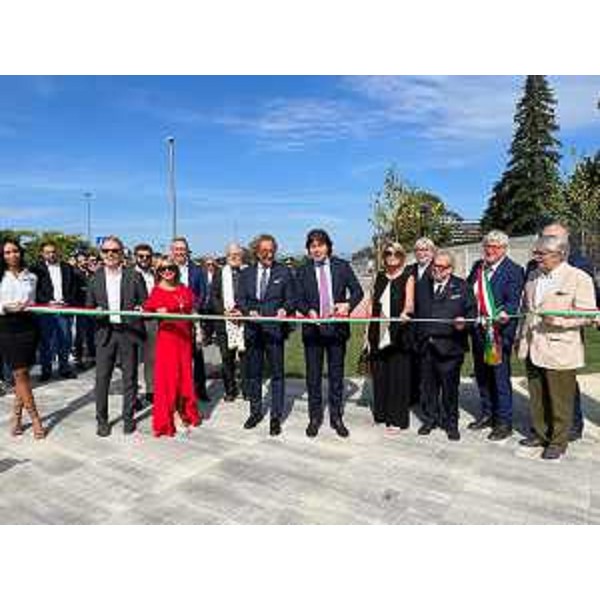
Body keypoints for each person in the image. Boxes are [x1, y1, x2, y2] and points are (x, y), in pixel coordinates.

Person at [517, 235, 596, 459]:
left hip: (560, 349)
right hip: (533, 345)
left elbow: (589, 314)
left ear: (559, 254)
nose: (536, 257)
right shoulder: (533, 276)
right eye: (535, 253)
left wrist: (560, 321)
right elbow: (527, 311)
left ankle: (558, 441)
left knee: (560, 400)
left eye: (541, 254)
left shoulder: (578, 278)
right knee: (537, 395)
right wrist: (520, 339)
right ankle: (541, 433)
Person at [295, 229, 363, 438]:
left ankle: (336, 417)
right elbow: (297, 298)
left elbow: (358, 291)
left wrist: (347, 305)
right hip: (312, 331)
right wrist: (308, 310)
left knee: (336, 376)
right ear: (308, 250)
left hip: (337, 330)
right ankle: (314, 418)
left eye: (320, 245)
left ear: (328, 247)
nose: (317, 249)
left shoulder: (342, 266)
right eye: (312, 246)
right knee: (313, 377)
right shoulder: (302, 270)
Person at [86, 236, 147, 437]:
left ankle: (128, 418)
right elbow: (89, 307)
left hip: (128, 332)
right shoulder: (94, 278)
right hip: (105, 333)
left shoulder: (134, 276)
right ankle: (102, 420)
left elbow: (145, 303)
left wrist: (140, 309)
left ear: (122, 253)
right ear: (101, 254)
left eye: (114, 251)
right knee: (102, 379)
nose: (110, 254)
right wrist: (95, 311)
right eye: (106, 251)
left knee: (130, 377)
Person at [466, 230, 525, 441]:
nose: (489, 250)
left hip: (498, 333)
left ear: (504, 249)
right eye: (487, 246)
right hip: (478, 331)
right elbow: (468, 293)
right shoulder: (478, 267)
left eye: (495, 246)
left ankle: (503, 422)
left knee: (499, 379)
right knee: (482, 375)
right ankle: (487, 414)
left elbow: (513, 301)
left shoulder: (514, 270)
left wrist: (505, 313)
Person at [237, 234, 295, 436]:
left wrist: (285, 309)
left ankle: (276, 417)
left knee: (277, 375)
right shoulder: (246, 273)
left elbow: (291, 299)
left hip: (274, 331)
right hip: (253, 331)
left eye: (272, 251)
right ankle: (255, 412)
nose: (269, 254)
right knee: (254, 374)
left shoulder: (284, 272)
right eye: (264, 251)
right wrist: (247, 311)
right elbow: (240, 299)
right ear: (256, 252)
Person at [415, 250, 476, 441]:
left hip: (450, 348)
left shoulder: (462, 286)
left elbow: (472, 314)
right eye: (434, 266)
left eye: (441, 267)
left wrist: (464, 323)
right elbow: (415, 311)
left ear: (450, 269)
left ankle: (451, 423)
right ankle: (430, 419)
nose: (436, 270)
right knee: (428, 387)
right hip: (426, 346)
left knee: (450, 389)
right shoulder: (422, 285)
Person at [143, 256, 201, 436]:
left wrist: (197, 326)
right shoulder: (156, 291)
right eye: (163, 269)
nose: (167, 271)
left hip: (184, 339)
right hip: (168, 340)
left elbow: (192, 309)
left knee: (185, 377)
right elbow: (147, 309)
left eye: (171, 268)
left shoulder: (183, 288)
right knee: (170, 379)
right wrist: (156, 311)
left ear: (176, 270)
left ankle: (184, 411)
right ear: (158, 272)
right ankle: (172, 415)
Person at [366, 242, 414, 434]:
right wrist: (367, 330)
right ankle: (382, 414)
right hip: (377, 331)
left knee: (398, 376)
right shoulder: (378, 277)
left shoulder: (407, 277)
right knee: (380, 374)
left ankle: (397, 419)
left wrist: (405, 312)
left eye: (396, 253)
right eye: (388, 253)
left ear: (402, 256)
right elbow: (371, 303)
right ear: (383, 256)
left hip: (399, 331)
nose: (392, 256)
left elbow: (410, 303)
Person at [0, 239, 45, 439]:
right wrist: (5, 307)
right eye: (7, 252)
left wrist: (30, 305)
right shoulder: (1, 276)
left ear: (21, 252)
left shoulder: (31, 276)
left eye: (15, 251)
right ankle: (35, 419)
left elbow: (35, 300)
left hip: (28, 326)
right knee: (19, 373)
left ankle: (17, 417)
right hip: (6, 327)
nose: (12, 255)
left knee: (23, 374)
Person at [32, 242, 78, 380]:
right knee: (46, 341)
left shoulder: (67, 268)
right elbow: (34, 290)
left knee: (65, 340)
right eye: (48, 252)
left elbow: (73, 288)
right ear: (42, 253)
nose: (51, 254)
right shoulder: (36, 269)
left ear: (57, 252)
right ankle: (46, 370)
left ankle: (64, 368)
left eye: (53, 252)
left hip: (64, 308)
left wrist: (67, 300)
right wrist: (47, 301)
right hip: (46, 310)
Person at [170, 237, 209, 400]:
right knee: (175, 358)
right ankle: (178, 391)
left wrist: (194, 309)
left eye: (182, 249)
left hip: (192, 318)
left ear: (187, 251)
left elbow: (203, 293)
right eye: (177, 249)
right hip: (172, 320)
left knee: (197, 356)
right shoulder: (166, 269)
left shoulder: (197, 270)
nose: (179, 252)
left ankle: (200, 390)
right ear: (172, 251)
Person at [209, 243, 248, 402]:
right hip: (224, 322)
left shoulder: (247, 272)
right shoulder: (219, 273)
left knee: (245, 358)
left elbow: (252, 296)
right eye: (231, 254)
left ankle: (246, 389)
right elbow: (214, 296)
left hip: (244, 321)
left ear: (242, 256)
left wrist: (242, 312)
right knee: (227, 358)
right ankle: (230, 390)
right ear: (226, 256)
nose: (234, 257)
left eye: (237, 254)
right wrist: (223, 312)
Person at [409, 237, 436, 406]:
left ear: (432, 252)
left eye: (426, 249)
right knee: (412, 364)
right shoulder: (409, 270)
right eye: (419, 250)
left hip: (429, 326)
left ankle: (428, 403)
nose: (422, 253)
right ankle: (412, 396)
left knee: (428, 367)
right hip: (411, 326)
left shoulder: (437, 269)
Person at [134, 243, 157, 406]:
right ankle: (133, 395)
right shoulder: (128, 274)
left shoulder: (156, 275)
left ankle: (151, 390)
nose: (144, 259)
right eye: (141, 256)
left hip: (152, 320)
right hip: (134, 321)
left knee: (152, 358)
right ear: (135, 257)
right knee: (133, 360)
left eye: (147, 256)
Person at [73, 252, 96, 370]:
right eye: (81, 260)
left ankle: (92, 358)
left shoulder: (93, 274)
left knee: (91, 334)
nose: (84, 262)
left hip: (92, 309)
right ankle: (79, 359)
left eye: (85, 260)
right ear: (77, 262)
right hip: (80, 308)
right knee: (80, 335)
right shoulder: (74, 274)